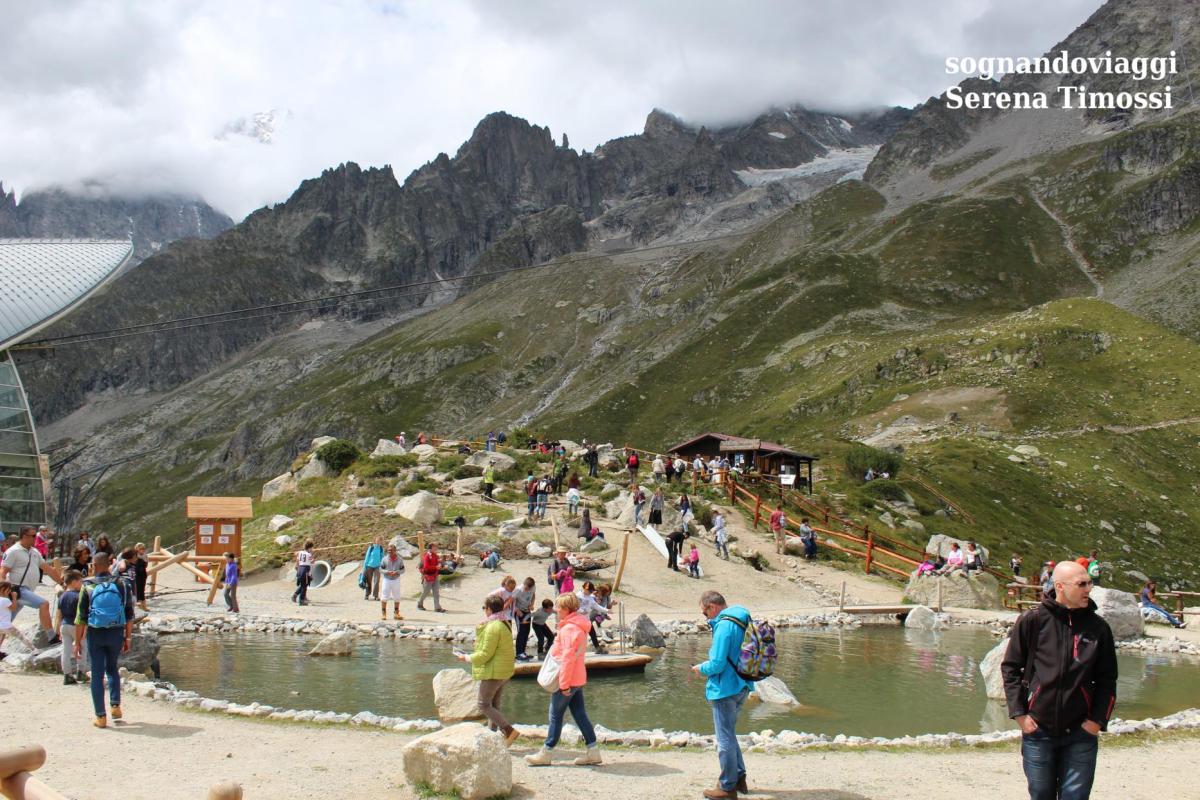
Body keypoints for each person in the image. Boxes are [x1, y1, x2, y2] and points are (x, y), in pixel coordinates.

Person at [1001, 561, 1117, 800]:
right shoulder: (1032, 620)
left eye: (1089, 582)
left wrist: (1096, 721)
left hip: (1081, 732)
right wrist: (1020, 715)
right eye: (1081, 584)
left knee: (1075, 796)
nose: (1088, 589)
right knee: (1041, 794)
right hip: (1038, 730)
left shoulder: (1099, 628)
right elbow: (1011, 668)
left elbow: (1108, 680)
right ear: (1060, 586)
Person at [525, 592, 602, 767]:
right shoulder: (579, 626)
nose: (556, 610)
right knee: (580, 714)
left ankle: (546, 753)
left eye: (558, 607)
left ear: (566, 609)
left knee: (555, 715)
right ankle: (593, 751)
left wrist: (564, 684)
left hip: (567, 680)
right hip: (578, 678)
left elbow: (567, 659)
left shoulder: (569, 629)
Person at [692, 590, 752, 798]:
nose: (705, 617)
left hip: (725, 688)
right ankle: (739, 776)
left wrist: (701, 668)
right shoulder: (742, 617)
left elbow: (717, 664)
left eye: (704, 613)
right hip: (743, 683)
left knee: (724, 738)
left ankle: (727, 786)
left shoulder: (724, 626)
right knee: (730, 733)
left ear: (712, 607)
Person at [74, 552, 136, 728]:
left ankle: (101, 717)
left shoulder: (87, 585)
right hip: (116, 632)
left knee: (97, 673)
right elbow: (129, 613)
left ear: (93, 565)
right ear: (109, 564)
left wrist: (77, 642)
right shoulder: (122, 584)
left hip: (96, 633)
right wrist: (128, 637)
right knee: (112, 668)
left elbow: (80, 618)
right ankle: (115, 705)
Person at [455, 593, 520, 745]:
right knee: (494, 705)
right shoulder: (504, 623)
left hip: (494, 671)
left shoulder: (492, 626)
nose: (484, 611)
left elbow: (486, 653)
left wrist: (467, 658)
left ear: (490, 609)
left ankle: (508, 730)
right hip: (504, 669)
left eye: (485, 608)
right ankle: (492, 737)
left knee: (483, 704)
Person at [0, 525, 64, 639]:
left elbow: (48, 569)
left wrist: (61, 582)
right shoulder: (13, 551)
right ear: (24, 536)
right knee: (43, 604)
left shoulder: (34, 551)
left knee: (5, 622)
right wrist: (4, 593)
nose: (37, 538)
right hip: (17, 590)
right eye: (34, 536)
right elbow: (2, 572)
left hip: (25, 590)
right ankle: (51, 636)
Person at [56, 570, 89, 684]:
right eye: (81, 581)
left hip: (64, 625)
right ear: (74, 582)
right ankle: (81, 672)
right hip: (77, 626)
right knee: (82, 648)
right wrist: (85, 630)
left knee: (65, 650)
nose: (82, 584)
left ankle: (67, 675)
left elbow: (59, 615)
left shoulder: (62, 595)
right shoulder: (80, 596)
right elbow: (83, 615)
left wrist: (58, 630)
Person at [0, 581, 37, 655]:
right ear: (3, 590)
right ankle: (34, 649)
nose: (9, 592)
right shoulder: (5, 600)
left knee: (1, 637)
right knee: (21, 636)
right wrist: (14, 597)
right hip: (7, 626)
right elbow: (13, 608)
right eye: (8, 590)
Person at [417, 541, 446, 612]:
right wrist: (436, 567)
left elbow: (436, 564)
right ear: (431, 547)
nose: (437, 547)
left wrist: (441, 566)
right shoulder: (427, 556)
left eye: (437, 546)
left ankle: (437, 607)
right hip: (428, 577)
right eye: (435, 546)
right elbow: (426, 567)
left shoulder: (434, 555)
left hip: (435, 576)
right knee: (426, 592)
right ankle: (419, 603)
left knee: (436, 592)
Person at [379, 544, 405, 620]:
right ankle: (384, 614)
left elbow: (403, 570)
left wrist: (397, 572)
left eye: (391, 550)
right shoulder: (384, 559)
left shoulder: (400, 560)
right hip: (386, 579)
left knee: (397, 597)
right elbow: (380, 569)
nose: (389, 552)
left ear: (395, 551)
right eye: (388, 550)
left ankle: (396, 613)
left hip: (396, 579)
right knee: (384, 596)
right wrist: (387, 572)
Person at [513, 577, 536, 661]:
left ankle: (523, 652)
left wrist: (532, 604)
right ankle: (519, 653)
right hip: (519, 612)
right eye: (526, 588)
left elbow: (533, 595)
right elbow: (512, 601)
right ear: (524, 585)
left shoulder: (533, 587)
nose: (527, 590)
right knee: (521, 631)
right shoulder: (518, 590)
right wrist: (517, 610)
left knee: (527, 631)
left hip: (527, 611)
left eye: (528, 589)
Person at [362, 536, 384, 601]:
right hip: (369, 566)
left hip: (377, 566)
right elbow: (367, 557)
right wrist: (364, 567)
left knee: (377, 581)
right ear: (375, 540)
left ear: (381, 542)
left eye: (380, 540)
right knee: (368, 581)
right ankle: (367, 595)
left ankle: (376, 596)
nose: (378, 541)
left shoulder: (381, 549)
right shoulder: (371, 547)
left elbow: (382, 558)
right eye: (377, 540)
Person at [291, 541, 314, 605]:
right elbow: (312, 564)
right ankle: (301, 600)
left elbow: (297, 559)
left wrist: (297, 567)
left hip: (300, 568)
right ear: (309, 548)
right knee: (304, 585)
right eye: (312, 548)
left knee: (303, 584)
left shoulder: (300, 552)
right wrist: (310, 573)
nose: (312, 549)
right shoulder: (309, 554)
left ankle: (295, 595)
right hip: (305, 569)